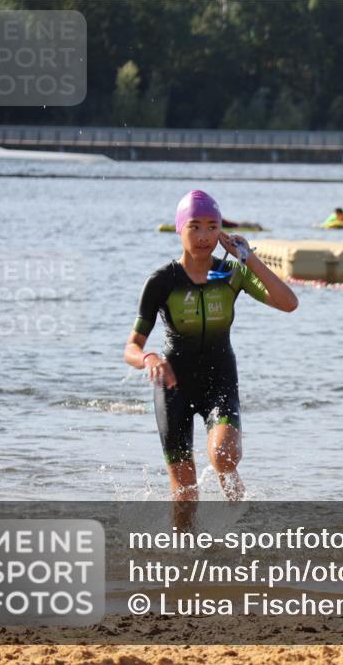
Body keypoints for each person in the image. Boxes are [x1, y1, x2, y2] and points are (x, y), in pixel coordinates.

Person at [124, 190, 298, 509]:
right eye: (194, 226)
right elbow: (132, 348)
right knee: (185, 494)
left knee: (223, 457)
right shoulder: (162, 281)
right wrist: (149, 358)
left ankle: (239, 524)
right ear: (180, 228)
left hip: (220, 380)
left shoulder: (232, 273)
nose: (204, 236)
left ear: (221, 231)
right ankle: (187, 543)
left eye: (212, 227)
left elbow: (289, 303)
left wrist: (249, 258)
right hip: (173, 387)